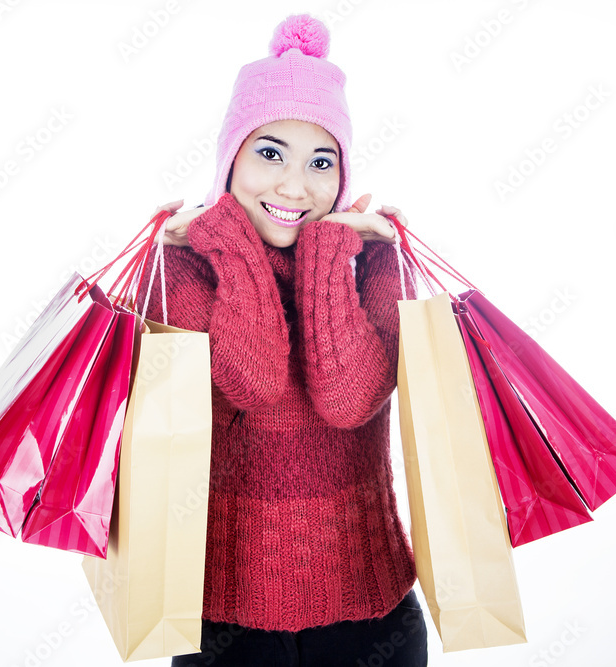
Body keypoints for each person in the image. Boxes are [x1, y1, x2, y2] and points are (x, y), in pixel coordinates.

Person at [136, 14, 427, 667]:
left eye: (321, 162)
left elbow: (347, 400)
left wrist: (336, 249)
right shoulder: (180, 271)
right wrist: (226, 243)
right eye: (270, 152)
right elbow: (254, 378)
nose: (295, 185)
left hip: (372, 616)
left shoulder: (377, 264)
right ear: (230, 156)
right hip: (225, 624)